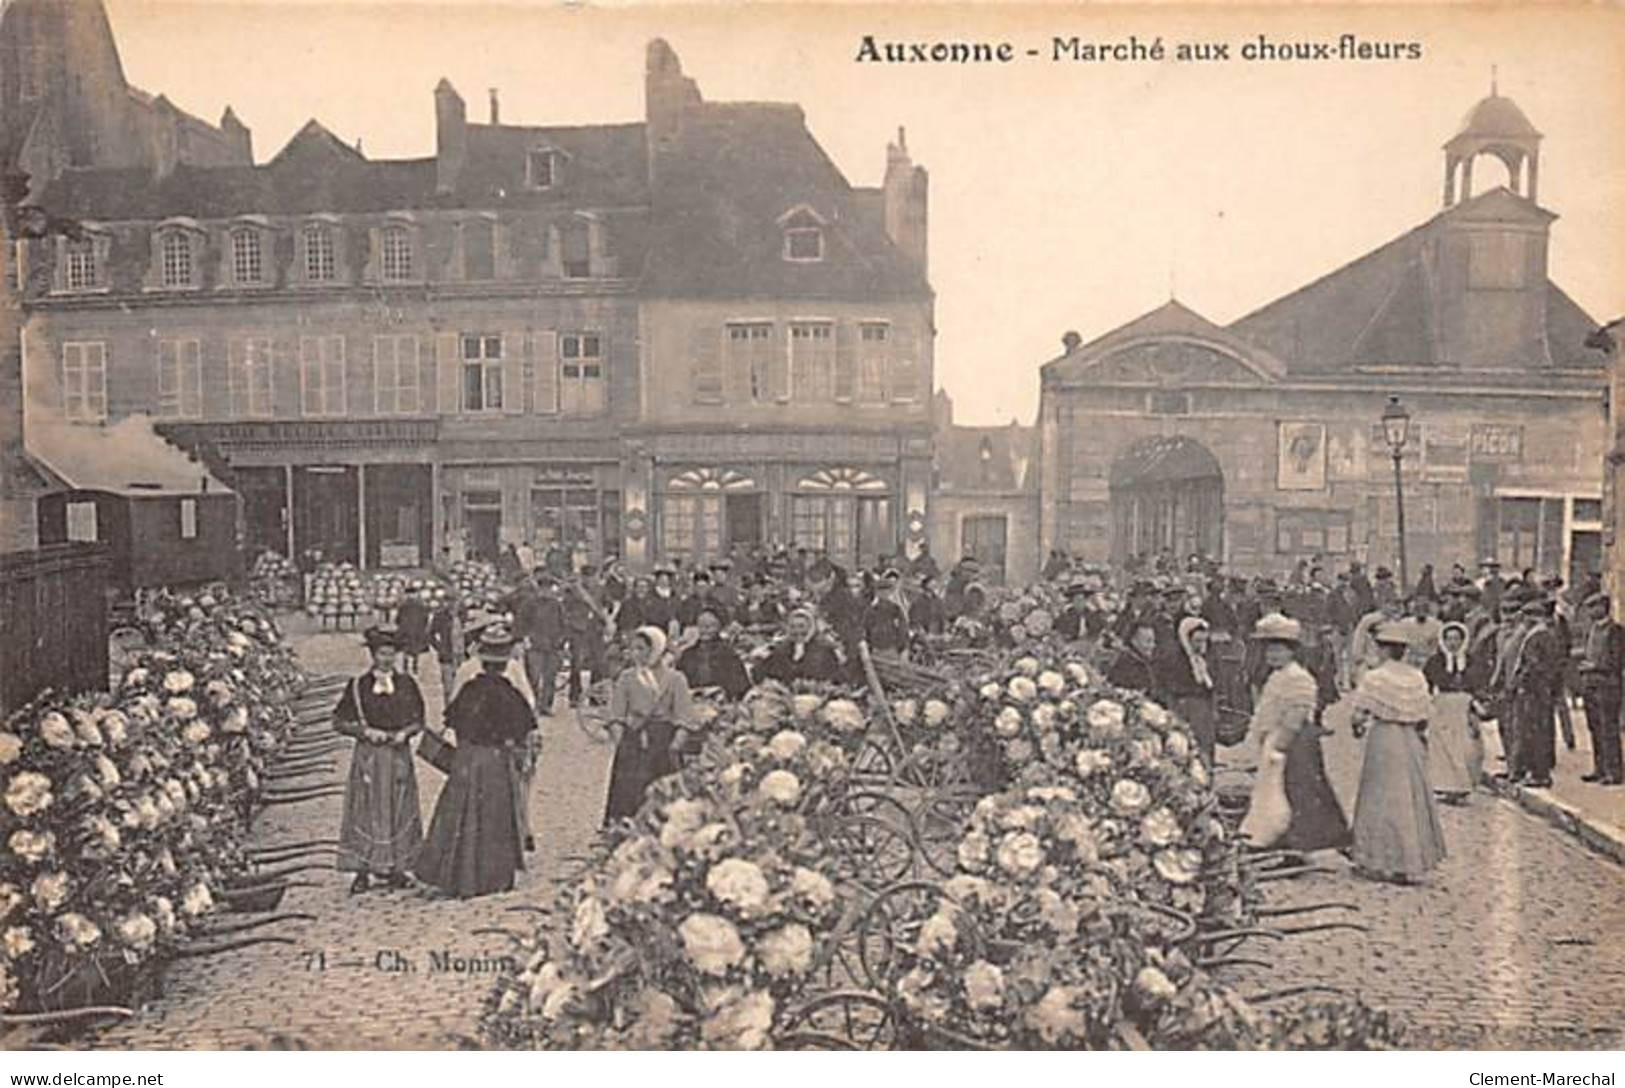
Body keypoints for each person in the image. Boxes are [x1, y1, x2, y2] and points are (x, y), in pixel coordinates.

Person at [414, 626, 534, 898]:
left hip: (467, 761)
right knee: (494, 819)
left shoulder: (469, 689)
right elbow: (524, 728)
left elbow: (452, 720)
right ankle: (492, 877)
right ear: (505, 663)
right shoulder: (510, 694)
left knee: (460, 817)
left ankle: (455, 874)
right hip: (496, 763)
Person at [1239, 614, 1350, 854]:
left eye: (1278, 651)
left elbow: (1296, 715)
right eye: (1269, 652)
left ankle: (1303, 840)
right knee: (1277, 789)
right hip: (1277, 737)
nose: (1272, 656)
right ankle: (1281, 836)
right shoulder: (1277, 676)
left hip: (1296, 741)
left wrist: (1279, 745)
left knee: (1300, 788)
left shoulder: (1298, 677)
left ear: (1291, 652)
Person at [1347, 622, 1448, 882]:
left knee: (1379, 797)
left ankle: (1376, 859)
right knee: (1409, 797)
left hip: (1383, 739)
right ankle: (1408, 861)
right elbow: (1425, 716)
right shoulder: (1416, 677)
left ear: (1382, 649)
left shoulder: (1375, 677)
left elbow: (1359, 714)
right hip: (1410, 740)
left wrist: (1357, 728)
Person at [332, 626, 425, 894]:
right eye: (381, 654)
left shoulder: (407, 684)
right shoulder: (358, 686)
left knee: (398, 807)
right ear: (372, 655)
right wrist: (363, 731)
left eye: (390, 654)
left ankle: (397, 868)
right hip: (369, 757)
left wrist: (405, 733)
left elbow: (419, 719)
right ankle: (362, 870)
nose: (386, 659)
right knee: (366, 809)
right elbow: (338, 721)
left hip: (398, 755)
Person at [602, 626, 695, 824]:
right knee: (628, 792)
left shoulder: (675, 679)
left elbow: (684, 716)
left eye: (641, 649)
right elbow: (616, 714)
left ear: (657, 650)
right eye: (633, 649)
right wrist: (622, 741)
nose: (635, 654)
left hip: (663, 741)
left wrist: (676, 743)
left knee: (661, 792)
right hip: (633, 740)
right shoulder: (627, 678)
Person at [1422, 621, 1482, 802]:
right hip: (1443, 705)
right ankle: (1445, 786)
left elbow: (1477, 681)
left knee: (1466, 748)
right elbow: (1428, 683)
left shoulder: (1471, 660)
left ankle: (1463, 786)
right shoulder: (1435, 661)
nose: (1453, 643)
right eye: (1449, 639)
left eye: (1457, 639)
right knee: (1444, 748)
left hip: (1464, 705)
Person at [1576, 592, 1625, 785]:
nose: (1589, 611)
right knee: (1595, 728)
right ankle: (1600, 768)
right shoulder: (1593, 630)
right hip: (1591, 685)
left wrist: (1594, 666)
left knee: (1608, 729)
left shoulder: (1615, 631)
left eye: (1593, 607)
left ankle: (1614, 772)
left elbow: (1616, 661)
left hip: (1608, 686)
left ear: (1602, 608)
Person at [1161, 616, 1218, 767]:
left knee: (1206, 746)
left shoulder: (1203, 660)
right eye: (1197, 641)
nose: (1201, 646)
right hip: (1186, 709)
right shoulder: (1176, 660)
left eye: (1204, 641)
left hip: (1203, 712)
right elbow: (1171, 688)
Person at [675, 609, 753, 701]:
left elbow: (741, 686)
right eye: (701, 626)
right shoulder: (687, 655)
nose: (705, 630)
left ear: (718, 628)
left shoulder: (728, 654)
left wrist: (723, 693)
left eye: (710, 626)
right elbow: (678, 684)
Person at [754, 607, 843, 686]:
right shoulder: (781, 649)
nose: (797, 631)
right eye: (793, 627)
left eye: (801, 626)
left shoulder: (824, 649)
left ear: (810, 627)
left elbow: (835, 678)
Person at [864, 569, 911, 658]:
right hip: (875, 649)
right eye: (881, 591)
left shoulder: (896, 609)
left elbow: (903, 629)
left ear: (890, 592)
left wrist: (903, 648)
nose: (884, 594)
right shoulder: (871, 610)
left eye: (886, 591)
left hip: (892, 649)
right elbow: (866, 630)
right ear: (877, 592)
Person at [1107, 621, 1160, 698]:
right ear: (1134, 641)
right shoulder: (1125, 665)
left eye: (1153, 641)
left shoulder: (1145, 663)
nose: (1153, 645)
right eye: (1148, 641)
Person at [394, 586, 431, 676]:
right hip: (416, 630)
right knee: (415, 649)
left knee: (406, 649)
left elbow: (397, 619)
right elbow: (425, 619)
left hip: (406, 630)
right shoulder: (422, 605)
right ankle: (414, 667)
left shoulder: (403, 605)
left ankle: (406, 667)